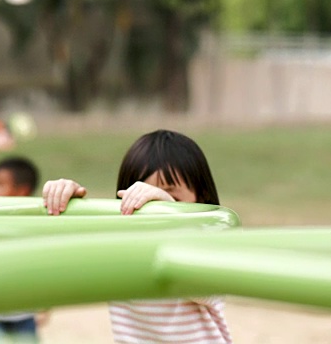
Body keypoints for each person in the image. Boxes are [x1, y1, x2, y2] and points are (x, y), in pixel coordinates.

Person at [42, 129, 233, 344]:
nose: (153, 212)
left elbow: (204, 287)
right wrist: (67, 202)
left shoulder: (210, 236)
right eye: (142, 200)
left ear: (202, 197)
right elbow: (65, 257)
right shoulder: (119, 240)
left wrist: (168, 216)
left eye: (172, 198)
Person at [0, 156, 45, 343]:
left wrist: (45, 306)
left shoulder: (34, 227)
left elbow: (42, 268)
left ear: (22, 191)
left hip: (24, 315)